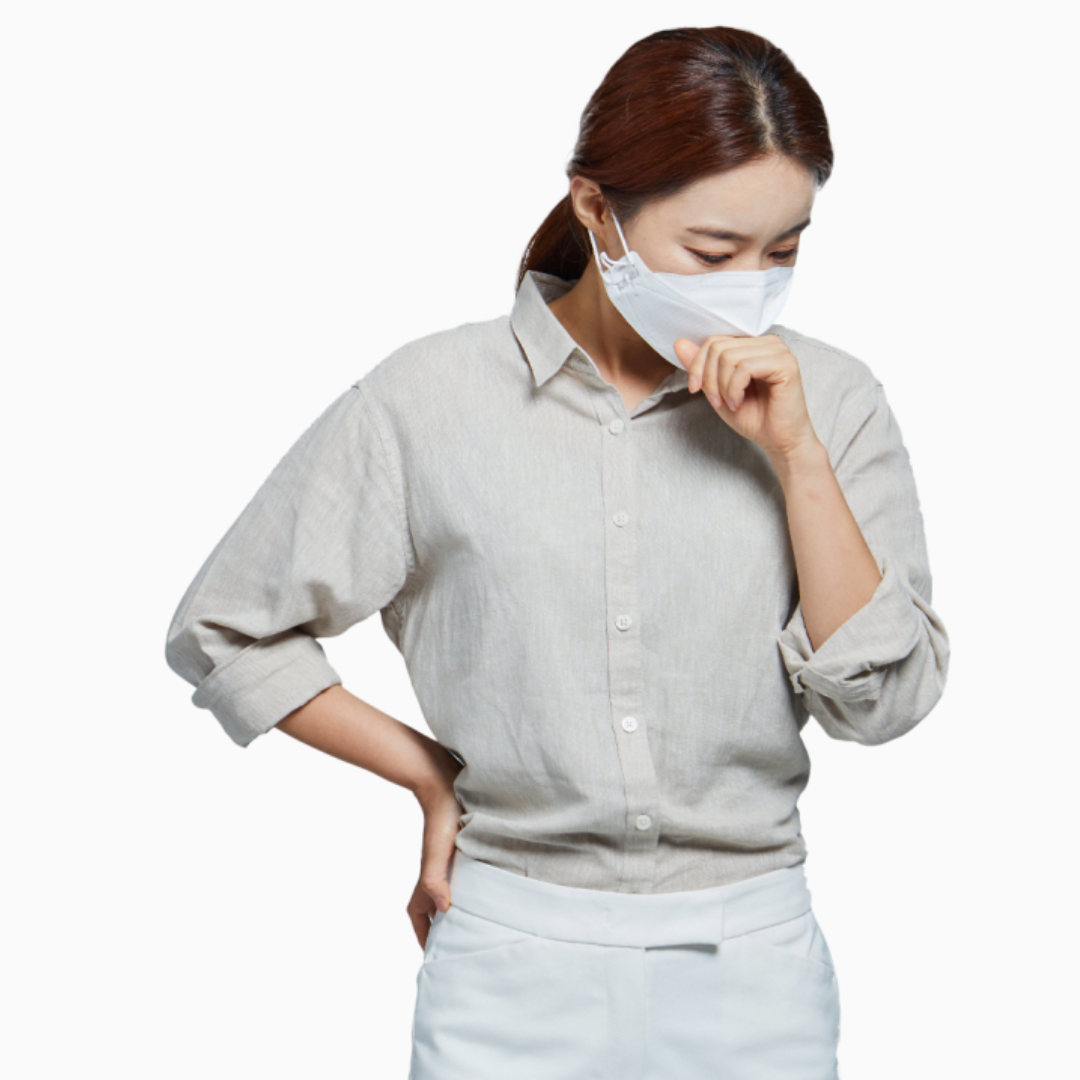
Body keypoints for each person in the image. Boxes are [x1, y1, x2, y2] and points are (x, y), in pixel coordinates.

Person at [165, 24, 950, 1080]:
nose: (749, 286)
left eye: (784, 250)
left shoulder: (833, 402)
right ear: (596, 210)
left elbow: (885, 704)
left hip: (750, 967)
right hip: (509, 956)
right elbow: (226, 628)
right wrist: (429, 777)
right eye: (712, 252)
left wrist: (797, 455)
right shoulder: (427, 400)